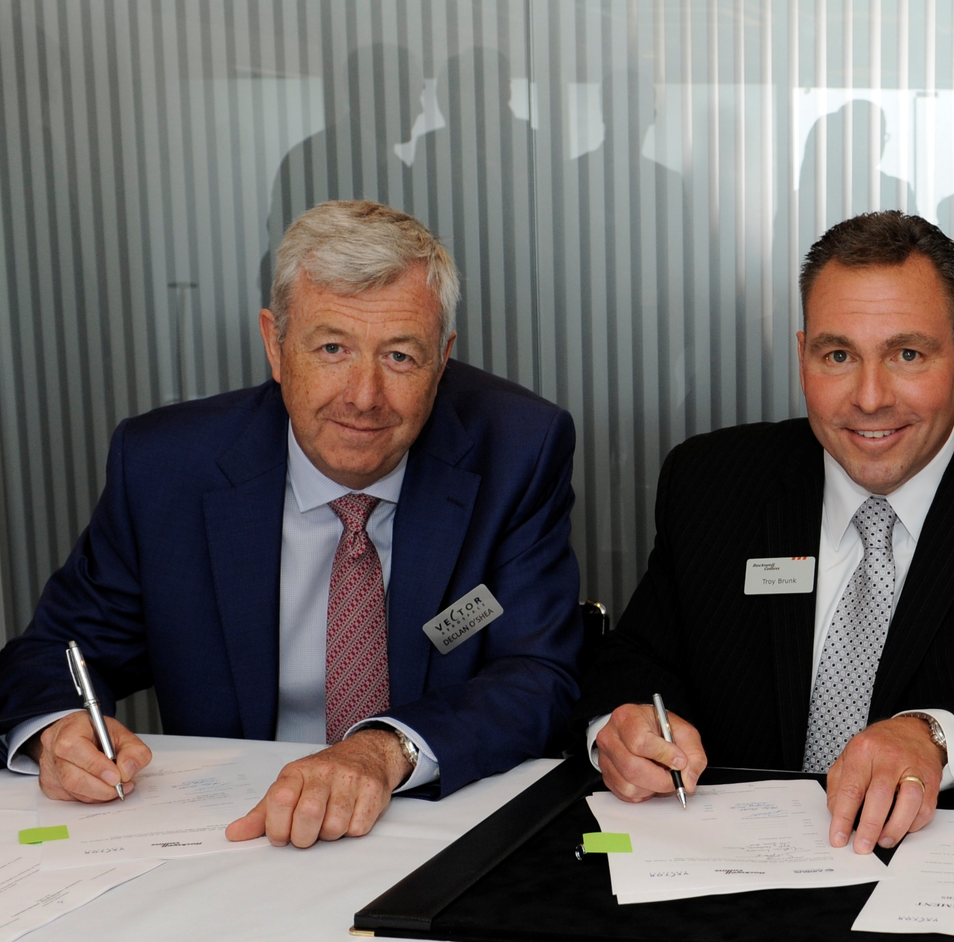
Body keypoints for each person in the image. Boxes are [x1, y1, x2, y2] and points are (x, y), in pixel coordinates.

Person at [0, 200, 582, 847]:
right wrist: (58, 729)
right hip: (232, 832)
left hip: (430, 822)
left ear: (442, 358)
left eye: (398, 356)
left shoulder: (518, 450)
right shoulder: (167, 467)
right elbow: (57, 651)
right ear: (274, 345)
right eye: (332, 347)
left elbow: (538, 674)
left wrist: (381, 751)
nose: (363, 395)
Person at [577, 211, 954, 855]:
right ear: (802, 359)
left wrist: (936, 737)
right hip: (732, 877)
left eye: (907, 354)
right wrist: (622, 725)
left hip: (949, 886)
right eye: (839, 355)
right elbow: (639, 659)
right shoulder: (712, 481)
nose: (871, 397)